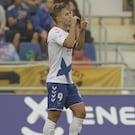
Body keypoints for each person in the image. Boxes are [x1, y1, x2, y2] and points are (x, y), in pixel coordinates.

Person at [43, 2, 88, 135]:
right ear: (58, 18)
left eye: (70, 13)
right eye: (67, 14)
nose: (71, 16)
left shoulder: (66, 32)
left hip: (68, 82)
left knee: (81, 112)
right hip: (57, 80)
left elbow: (78, 47)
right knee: (54, 116)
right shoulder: (54, 32)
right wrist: (74, 26)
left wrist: (82, 30)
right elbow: (69, 44)